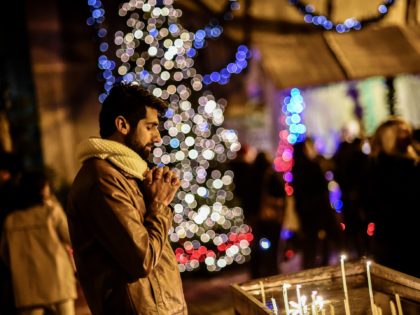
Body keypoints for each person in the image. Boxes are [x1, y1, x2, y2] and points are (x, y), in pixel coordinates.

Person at [66, 83, 187, 315]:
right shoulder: (102, 180)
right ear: (122, 125)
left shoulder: (127, 173)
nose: (158, 137)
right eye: (150, 127)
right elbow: (142, 260)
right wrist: (159, 205)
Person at [0, 170, 77, 315]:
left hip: (27, 287)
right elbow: (71, 238)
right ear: (42, 189)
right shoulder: (51, 212)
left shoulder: (11, 221)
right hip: (58, 281)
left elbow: (5, 254)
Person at [365, 116, 420, 277]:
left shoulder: (414, 159)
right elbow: (375, 205)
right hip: (397, 240)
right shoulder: (380, 166)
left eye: (406, 132)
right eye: (400, 134)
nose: (405, 137)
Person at [292, 137, 343, 270]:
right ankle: (321, 267)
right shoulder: (311, 166)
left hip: (306, 212)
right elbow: (320, 188)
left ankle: (311, 268)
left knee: (311, 244)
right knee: (321, 241)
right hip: (317, 210)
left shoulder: (296, 168)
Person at [249, 150, 285, 278]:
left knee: (257, 244)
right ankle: (272, 268)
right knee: (273, 244)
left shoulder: (251, 173)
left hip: (256, 215)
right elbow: (280, 193)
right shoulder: (270, 174)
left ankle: (256, 271)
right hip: (270, 217)